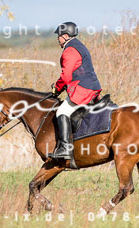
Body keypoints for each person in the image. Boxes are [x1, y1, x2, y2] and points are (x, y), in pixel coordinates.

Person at [48, 22, 102, 160]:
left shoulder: (70, 50)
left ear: (65, 36)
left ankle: (65, 148)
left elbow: (66, 76)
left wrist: (56, 88)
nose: (57, 38)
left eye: (59, 36)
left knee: (62, 111)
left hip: (83, 89)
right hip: (91, 87)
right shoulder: (78, 45)